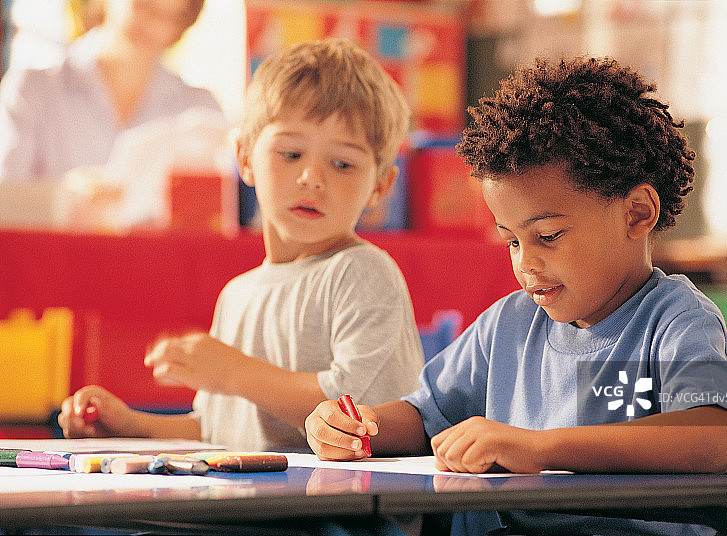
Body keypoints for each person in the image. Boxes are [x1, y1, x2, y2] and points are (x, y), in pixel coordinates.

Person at [305, 57, 727, 534]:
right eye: (512, 240)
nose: (524, 264)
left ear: (637, 213)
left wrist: (538, 447)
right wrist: (357, 427)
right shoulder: (508, 325)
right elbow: (424, 415)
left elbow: (715, 437)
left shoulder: (676, 318)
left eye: (549, 236)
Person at [58, 38, 424, 451]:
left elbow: (359, 417)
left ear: (380, 186)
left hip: (339, 512)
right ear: (245, 158)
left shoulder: (362, 273)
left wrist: (234, 372)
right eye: (290, 153)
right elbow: (217, 430)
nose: (312, 177)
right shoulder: (237, 294)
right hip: (250, 505)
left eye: (342, 163)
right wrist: (129, 425)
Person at [0, 0, 220, 182]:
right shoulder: (30, 91)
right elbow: (8, 203)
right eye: (143, 5)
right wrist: (65, 202)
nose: (152, 25)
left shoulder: (200, 109)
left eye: (170, 17)